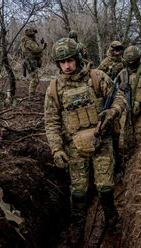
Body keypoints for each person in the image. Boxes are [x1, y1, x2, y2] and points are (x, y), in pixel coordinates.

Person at [44, 37, 125, 245]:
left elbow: (119, 97)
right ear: (58, 64)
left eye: (70, 60)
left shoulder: (97, 77)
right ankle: (78, 224)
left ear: (78, 58)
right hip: (74, 147)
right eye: (62, 62)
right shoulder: (54, 89)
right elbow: (51, 122)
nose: (67, 66)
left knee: (105, 187)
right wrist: (56, 149)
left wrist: (112, 112)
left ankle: (111, 218)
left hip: (101, 142)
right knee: (78, 193)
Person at [21, 27, 47, 96]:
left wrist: (41, 44)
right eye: (34, 33)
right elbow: (36, 50)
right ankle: (31, 94)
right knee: (35, 79)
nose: (35, 34)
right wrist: (43, 46)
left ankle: (32, 93)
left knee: (35, 79)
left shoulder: (29, 40)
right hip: (31, 61)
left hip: (32, 61)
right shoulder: (28, 41)